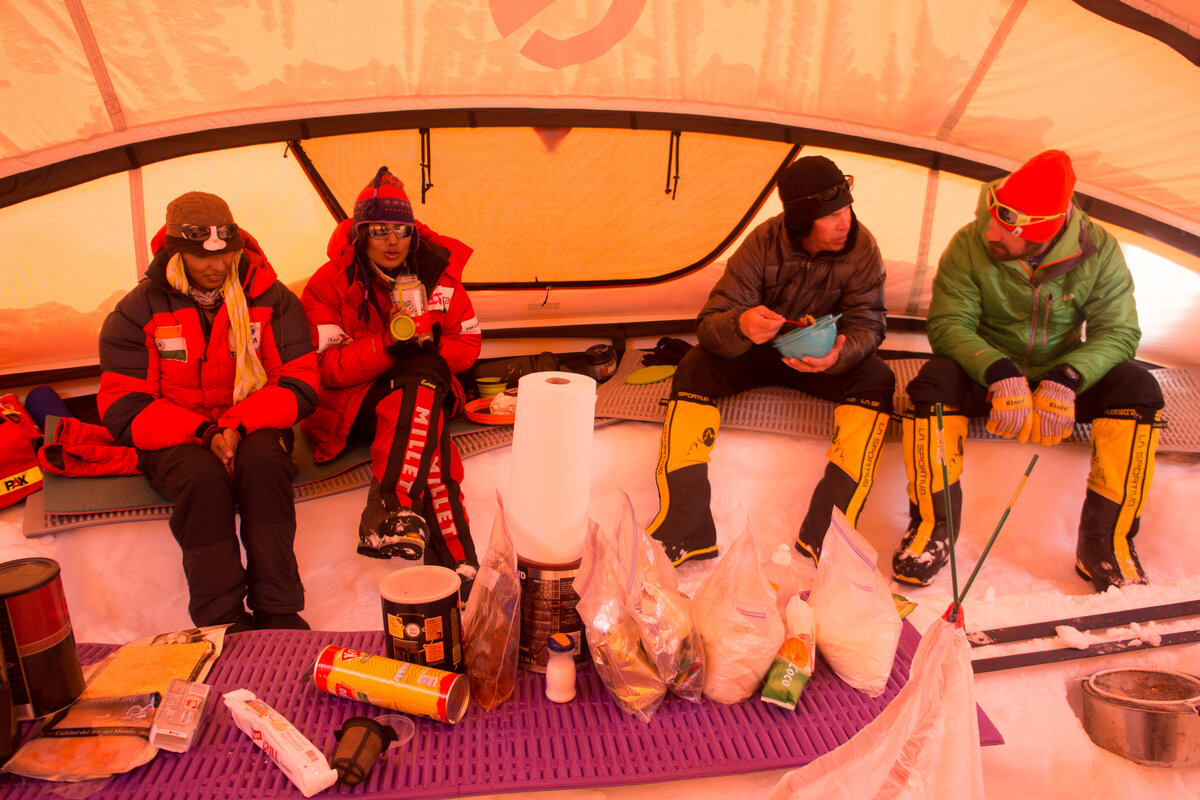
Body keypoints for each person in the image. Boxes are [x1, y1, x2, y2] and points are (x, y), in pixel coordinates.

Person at [898, 150, 1165, 590]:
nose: (988, 230)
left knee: (1139, 387)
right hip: (987, 371)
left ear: (1038, 234)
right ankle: (932, 531)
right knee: (932, 382)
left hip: (1060, 377)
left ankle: (1105, 543)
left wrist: (1067, 380)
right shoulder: (969, 243)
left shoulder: (1099, 252)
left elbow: (1118, 332)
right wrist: (998, 371)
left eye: (1004, 228)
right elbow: (948, 324)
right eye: (991, 218)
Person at [649, 155, 894, 566]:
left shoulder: (862, 248)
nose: (845, 222)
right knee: (695, 364)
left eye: (847, 208)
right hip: (760, 353)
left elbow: (870, 322)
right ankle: (685, 527)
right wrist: (741, 325)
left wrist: (839, 353)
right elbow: (711, 324)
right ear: (802, 221)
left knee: (878, 380)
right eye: (832, 215)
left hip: (822, 360)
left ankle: (828, 536)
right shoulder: (763, 243)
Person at [98, 191, 319, 632]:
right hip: (177, 432)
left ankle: (278, 609)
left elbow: (298, 383)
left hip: (251, 420)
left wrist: (236, 424)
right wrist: (203, 432)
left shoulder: (272, 301)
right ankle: (221, 619)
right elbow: (126, 406)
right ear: (176, 252)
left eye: (225, 254)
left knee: (263, 465)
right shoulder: (137, 311)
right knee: (203, 479)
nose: (216, 266)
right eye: (200, 256)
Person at [301, 166, 482, 590]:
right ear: (360, 234)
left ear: (412, 233)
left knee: (423, 377)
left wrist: (431, 341)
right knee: (426, 402)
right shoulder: (330, 283)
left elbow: (469, 345)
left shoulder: (439, 276)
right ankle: (460, 563)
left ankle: (391, 508)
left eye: (400, 230)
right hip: (355, 403)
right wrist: (387, 345)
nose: (391, 241)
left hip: (424, 391)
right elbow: (326, 366)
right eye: (379, 230)